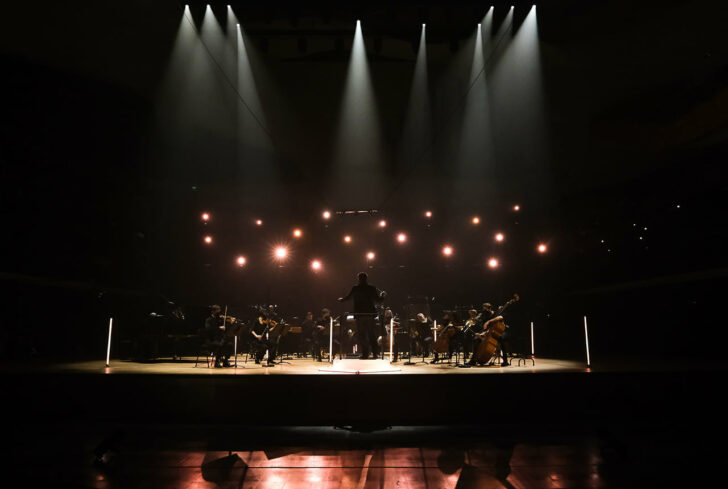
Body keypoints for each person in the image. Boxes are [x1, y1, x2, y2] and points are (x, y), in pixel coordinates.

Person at [338, 272, 386, 359]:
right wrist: (382, 296)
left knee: (362, 335)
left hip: (359, 315)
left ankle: (365, 354)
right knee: (371, 334)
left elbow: (348, 297)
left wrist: (342, 300)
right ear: (366, 278)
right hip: (370, 314)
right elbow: (378, 301)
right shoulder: (372, 288)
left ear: (358, 279)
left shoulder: (355, 288)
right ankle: (375, 353)